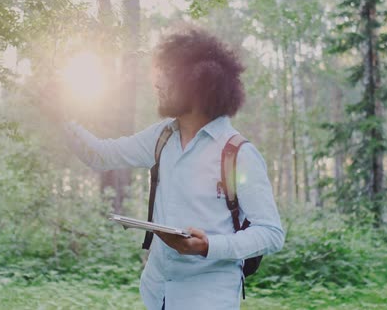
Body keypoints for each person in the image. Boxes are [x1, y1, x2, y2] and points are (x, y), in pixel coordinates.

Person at [43, 24, 285, 310]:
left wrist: (209, 246)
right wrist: (62, 116)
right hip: (157, 292)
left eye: (168, 76)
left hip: (209, 298)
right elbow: (101, 155)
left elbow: (271, 233)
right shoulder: (162, 137)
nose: (158, 84)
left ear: (197, 85)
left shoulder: (238, 154)